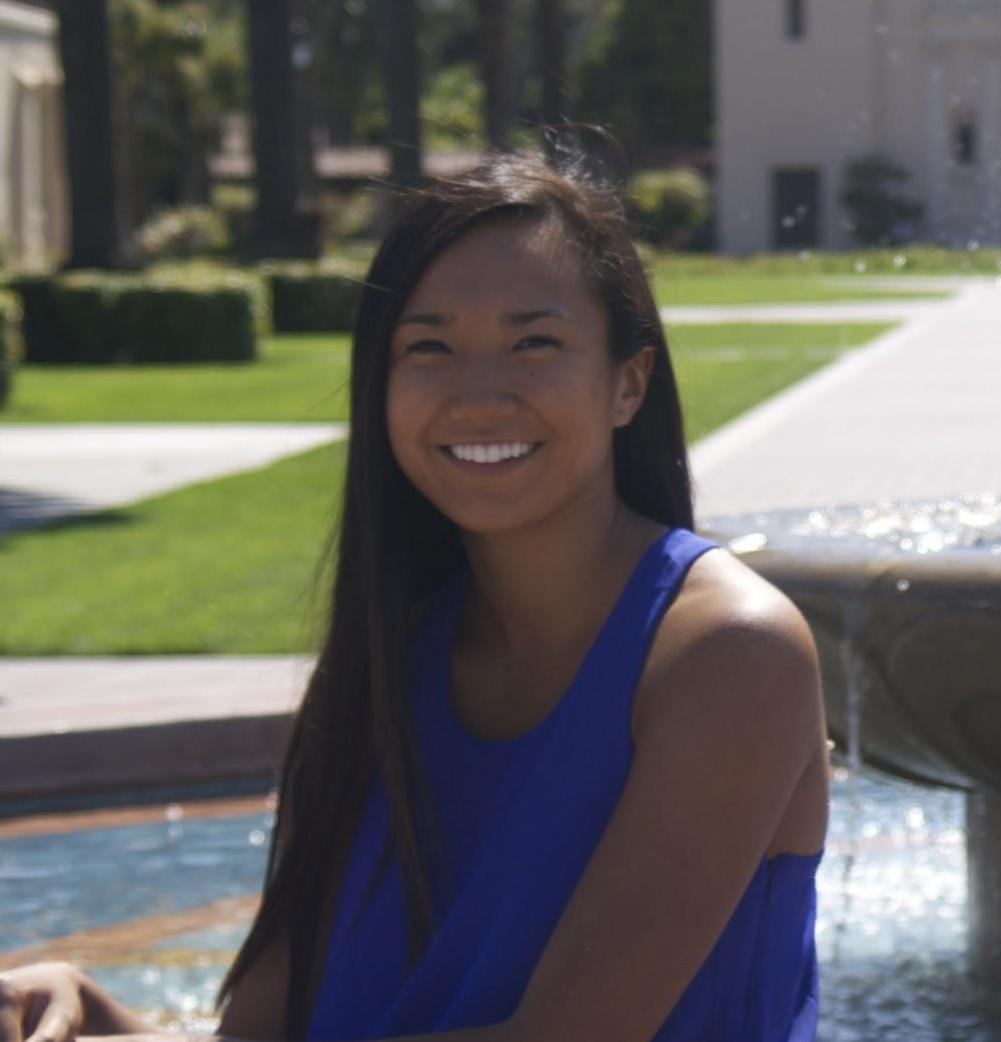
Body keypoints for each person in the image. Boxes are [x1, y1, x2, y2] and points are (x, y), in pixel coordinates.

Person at [0, 153, 829, 1042]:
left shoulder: (730, 656)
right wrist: (88, 1012)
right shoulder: (387, 660)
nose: (479, 397)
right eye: (428, 346)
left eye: (533, 342)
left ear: (629, 382)